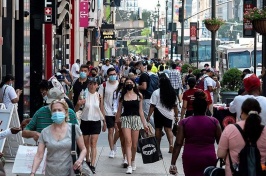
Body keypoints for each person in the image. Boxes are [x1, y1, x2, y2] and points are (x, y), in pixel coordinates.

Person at [169, 90, 222, 176]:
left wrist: (173, 163)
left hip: (190, 157)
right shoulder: (214, 122)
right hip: (208, 157)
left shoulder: (184, 122)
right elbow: (221, 142)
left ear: (193, 108)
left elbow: (178, 143)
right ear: (206, 108)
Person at [30, 99, 86, 176]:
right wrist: (32, 173)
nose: (57, 113)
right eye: (54, 110)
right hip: (50, 172)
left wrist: (79, 160)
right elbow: (39, 155)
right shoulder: (45, 132)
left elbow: (83, 149)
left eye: (59, 110)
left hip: (69, 172)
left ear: (65, 112)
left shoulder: (74, 129)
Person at [217, 98, 266, 176]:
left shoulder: (230, 129)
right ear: (259, 113)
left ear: (242, 112)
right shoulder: (265, 130)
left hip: (234, 173)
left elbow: (220, 154)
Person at [115, 78, 148, 174]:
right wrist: (116, 123)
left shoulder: (139, 96)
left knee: (134, 144)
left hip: (136, 119)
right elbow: (119, 111)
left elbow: (141, 111)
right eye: (127, 83)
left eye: (131, 82)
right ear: (125, 85)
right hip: (125, 119)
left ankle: (133, 160)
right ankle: (129, 165)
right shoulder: (122, 96)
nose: (129, 84)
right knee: (127, 142)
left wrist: (144, 124)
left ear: (134, 84)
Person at [74, 77, 106, 174]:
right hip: (85, 121)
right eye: (90, 84)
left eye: (94, 84)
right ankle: (87, 161)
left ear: (97, 85)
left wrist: (104, 121)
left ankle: (92, 164)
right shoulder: (83, 94)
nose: (92, 86)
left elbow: (101, 109)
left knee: (93, 143)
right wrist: (79, 104)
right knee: (86, 144)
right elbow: (76, 109)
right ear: (88, 85)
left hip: (96, 121)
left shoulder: (99, 96)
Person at [147, 75, 178, 154]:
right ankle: (171, 144)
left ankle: (158, 146)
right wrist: (176, 115)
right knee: (169, 130)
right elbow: (175, 105)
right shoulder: (172, 92)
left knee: (158, 130)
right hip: (169, 114)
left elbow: (152, 105)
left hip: (158, 113)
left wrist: (149, 115)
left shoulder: (156, 92)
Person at [98, 68, 119, 158]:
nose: (113, 76)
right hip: (108, 111)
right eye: (111, 74)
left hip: (118, 111)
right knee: (110, 130)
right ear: (107, 76)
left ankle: (114, 143)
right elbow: (101, 100)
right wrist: (102, 115)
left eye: (114, 74)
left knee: (118, 131)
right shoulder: (104, 86)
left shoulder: (119, 85)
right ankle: (112, 150)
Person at [113, 76, 127, 167]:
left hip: (130, 117)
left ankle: (128, 157)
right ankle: (125, 156)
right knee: (122, 137)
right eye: (121, 82)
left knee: (128, 139)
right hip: (120, 115)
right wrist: (115, 114)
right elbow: (115, 104)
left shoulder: (134, 93)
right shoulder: (118, 93)